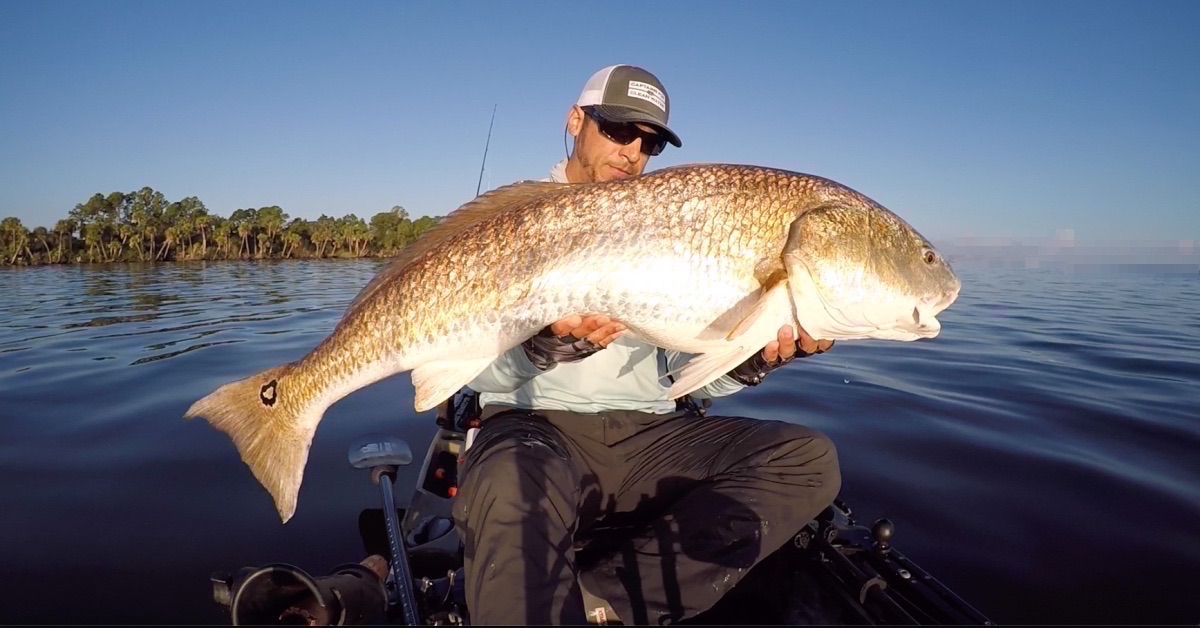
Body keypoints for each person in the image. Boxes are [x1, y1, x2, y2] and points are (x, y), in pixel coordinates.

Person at [450, 64, 840, 625]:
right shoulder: (512, 222)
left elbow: (686, 373)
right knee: (509, 482)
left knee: (809, 460)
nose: (632, 150)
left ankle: (602, 603)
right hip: (537, 426)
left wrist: (753, 361)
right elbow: (466, 371)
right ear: (575, 120)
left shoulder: (673, 224)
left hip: (654, 433)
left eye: (649, 140)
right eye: (616, 129)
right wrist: (542, 350)